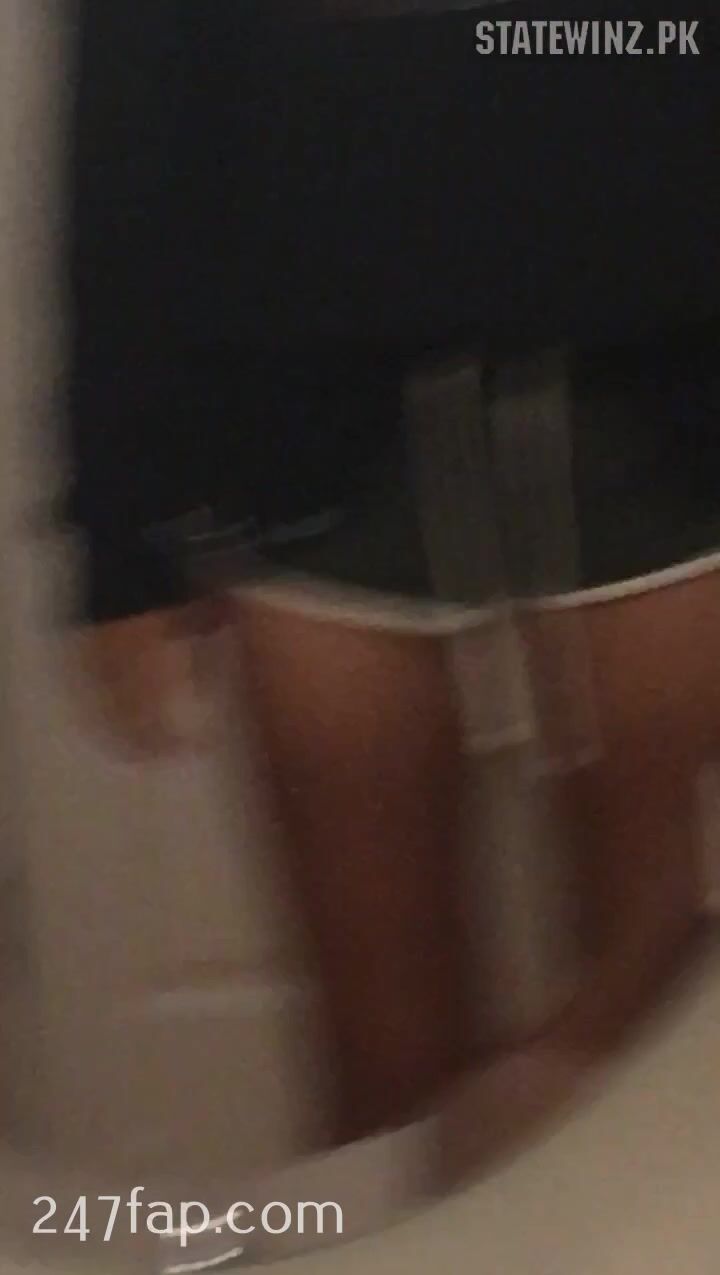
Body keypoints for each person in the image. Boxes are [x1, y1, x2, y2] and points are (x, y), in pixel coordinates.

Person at [66, 0, 720, 1149]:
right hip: (320, 453)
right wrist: (120, 543)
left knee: (651, 1067)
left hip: (660, 437)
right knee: (384, 1079)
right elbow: (128, 109)